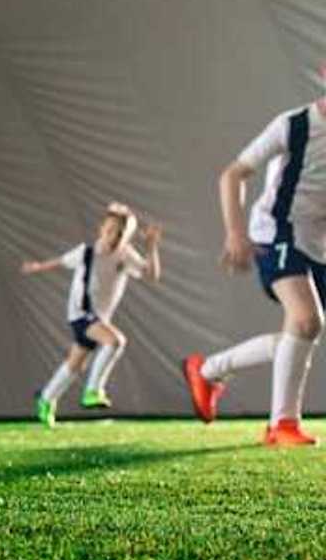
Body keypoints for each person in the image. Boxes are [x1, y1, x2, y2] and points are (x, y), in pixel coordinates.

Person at [184, 101, 326, 446]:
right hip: (276, 231)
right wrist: (235, 233)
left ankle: (207, 370)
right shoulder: (294, 125)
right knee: (307, 321)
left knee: (297, 338)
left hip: (317, 243)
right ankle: (282, 424)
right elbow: (233, 174)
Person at [21, 203, 162, 427]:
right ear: (101, 229)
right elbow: (60, 261)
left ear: (126, 237)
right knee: (115, 341)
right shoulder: (86, 252)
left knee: (75, 364)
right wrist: (38, 267)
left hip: (100, 319)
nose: (113, 237)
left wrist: (152, 247)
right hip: (81, 314)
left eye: (120, 234)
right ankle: (93, 390)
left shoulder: (125, 256)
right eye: (109, 231)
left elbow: (152, 276)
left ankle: (46, 399)